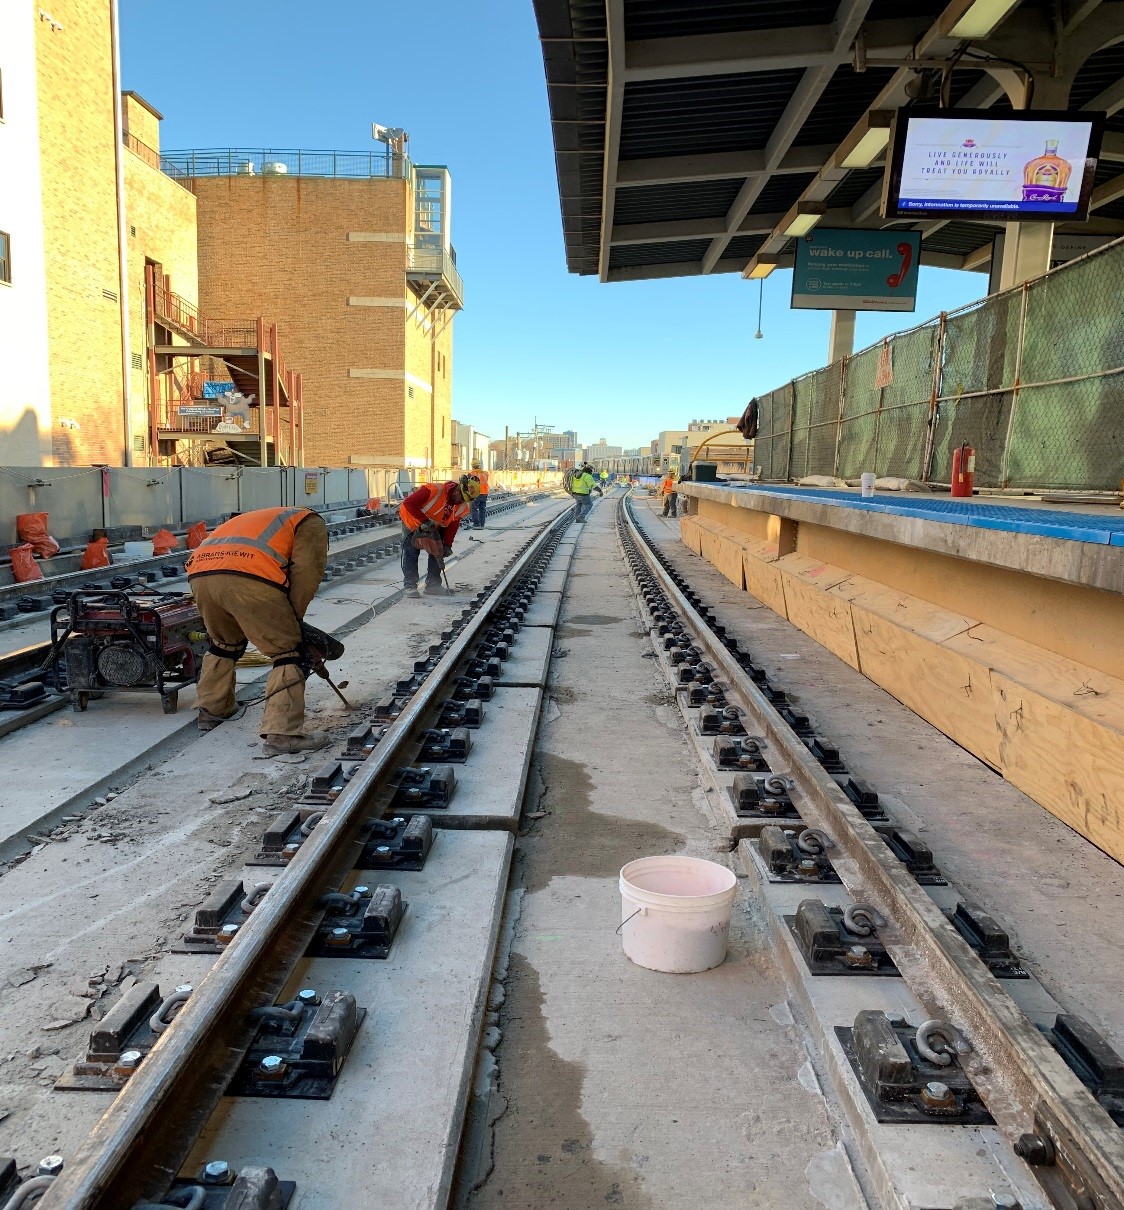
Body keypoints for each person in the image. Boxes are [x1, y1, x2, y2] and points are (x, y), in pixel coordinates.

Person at [187, 506, 330, 755]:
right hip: (251, 578)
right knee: (289, 653)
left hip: (200, 578)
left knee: (224, 644)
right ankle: (282, 735)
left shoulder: (261, 519)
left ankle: (212, 710)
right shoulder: (310, 522)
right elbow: (306, 571)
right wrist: (292, 622)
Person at [398, 475, 479, 595]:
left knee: (437, 552)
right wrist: (424, 521)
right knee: (411, 553)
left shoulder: (460, 505)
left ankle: (433, 585)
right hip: (412, 523)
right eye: (461, 498)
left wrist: (447, 544)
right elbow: (408, 503)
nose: (461, 501)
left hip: (435, 525)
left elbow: (453, 524)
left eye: (464, 500)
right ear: (457, 490)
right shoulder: (434, 490)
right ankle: (410, 586)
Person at [469, 460, 490, 528]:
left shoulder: (471, 474)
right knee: (482, 509)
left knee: (473, 508)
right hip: (484, 493)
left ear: (473, 466)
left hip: (476, 494)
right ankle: (482, 523)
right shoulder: (485, 474)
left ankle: (476, 523)